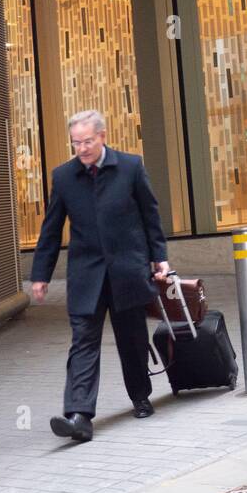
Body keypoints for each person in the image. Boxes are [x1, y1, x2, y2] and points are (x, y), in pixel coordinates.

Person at [30, 110, 170, 443]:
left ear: (102, 136)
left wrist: (159, 258)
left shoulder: (131, 167)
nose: (81, 148)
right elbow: (51, 230)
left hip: (127, 271)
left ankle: (140, 396)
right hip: (86, 275)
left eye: (87, 141)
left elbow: (151, 216)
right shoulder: (64, 177)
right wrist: (41, 275)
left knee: (132, 340)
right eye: (76, 143)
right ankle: (79, 416)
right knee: (83, 344)